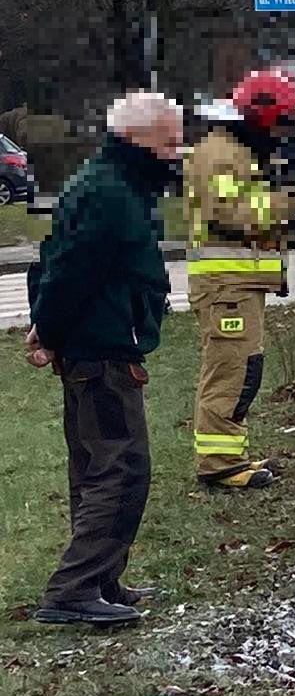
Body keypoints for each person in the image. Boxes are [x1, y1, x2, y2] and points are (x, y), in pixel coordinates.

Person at [25, 92, 182, 625]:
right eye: (169, 140)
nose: (176, 151)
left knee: (97, 467)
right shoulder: (109, 191)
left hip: (99, 346)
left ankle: (103, 578)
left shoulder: (108, 183)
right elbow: (70, 268)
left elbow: (57, 259)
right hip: (103, 353)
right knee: (120, 469)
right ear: (137, 139)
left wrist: (47, 326)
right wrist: (47, 328)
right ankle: (75, 587)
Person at [185, 69, 295, 490]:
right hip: (226, 289)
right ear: (261, 114)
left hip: (238, 287)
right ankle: (219, 463)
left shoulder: (240, 151)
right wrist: (288, 202)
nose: (286, 130)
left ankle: (229, 453)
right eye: (283, 120)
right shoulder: (219, 153)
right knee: (231, 373)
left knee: (243, 370)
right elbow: (232, 213)